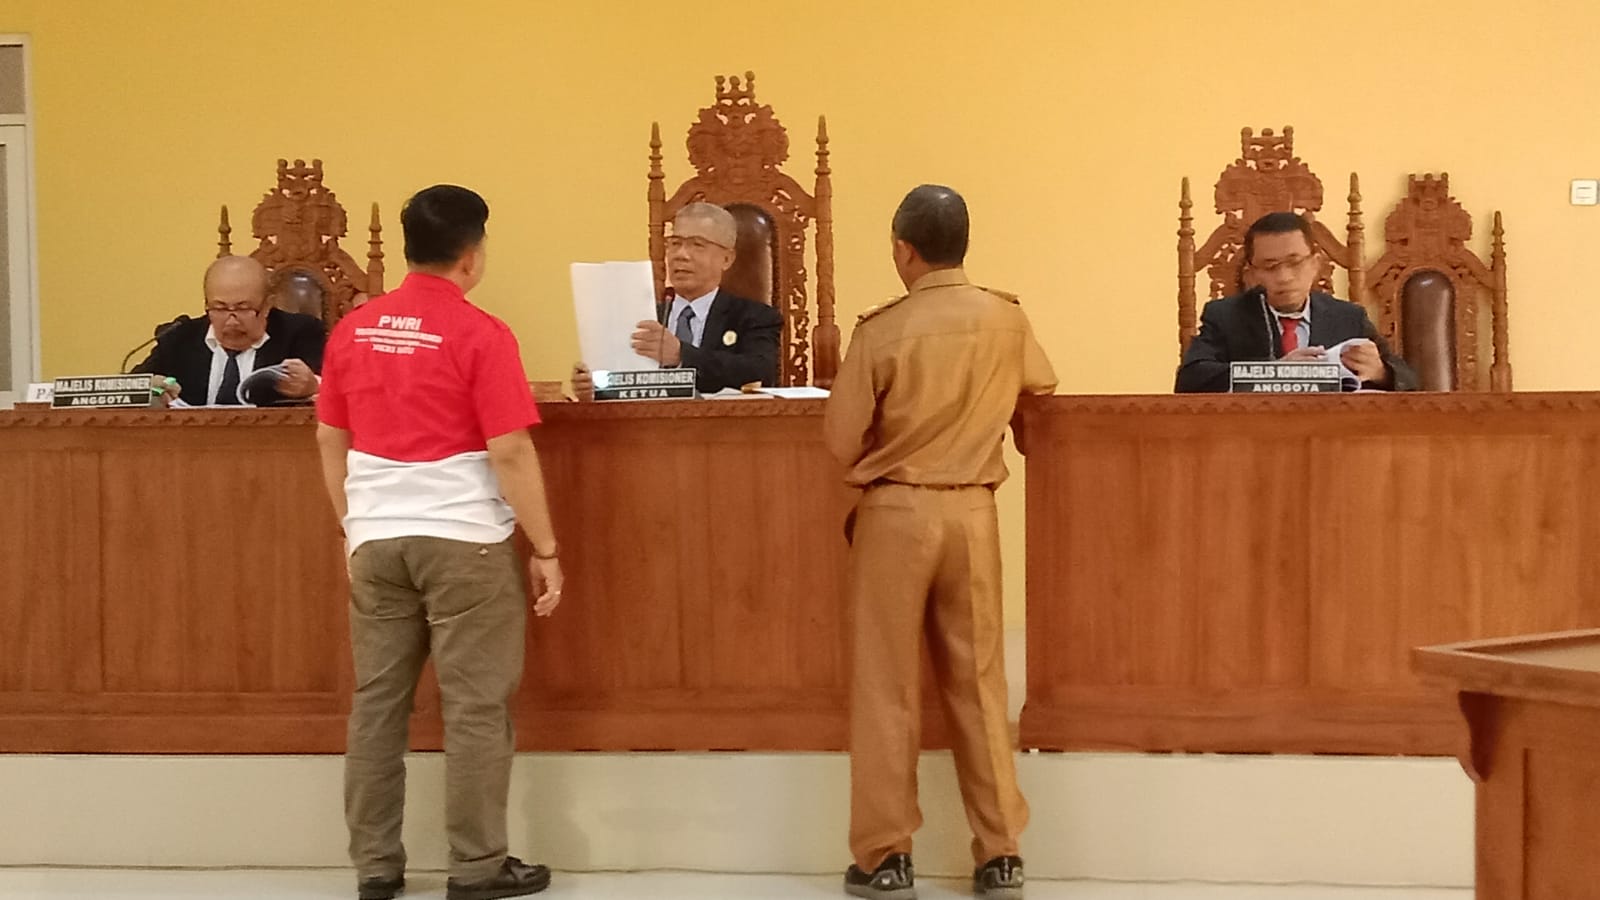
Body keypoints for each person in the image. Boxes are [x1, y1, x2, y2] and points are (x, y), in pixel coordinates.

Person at [315, 184, 564, 900]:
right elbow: (509, 450)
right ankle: (478, 866)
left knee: (377, 704)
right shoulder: (481, 333)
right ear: (471, 255)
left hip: (376, 542)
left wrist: (353, 526)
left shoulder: (354, 330)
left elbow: (330, 438)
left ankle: (375, 866)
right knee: (475, 707)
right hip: (465, 543)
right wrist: (546, 549)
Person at [824, 184, 1056, 900]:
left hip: (897, 514)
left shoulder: (882, 329)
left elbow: (841, 440)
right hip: (973, 514)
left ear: (904, 250)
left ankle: (885, 856)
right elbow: (1042, 389)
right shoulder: (1006, 317)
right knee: (980, 684)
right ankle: (1001, 853)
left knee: (886, 686)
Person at [1175, 211, 1419, 393]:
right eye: (1270, 266)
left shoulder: (1347, 317)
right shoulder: (1226, 316)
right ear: (1252, 273)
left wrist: (1381, 372)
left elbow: (1411, 382)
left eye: (1295, 263)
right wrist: (1274, 372)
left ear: (1315, 263)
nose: (1284, 277)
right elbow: (1190, 380)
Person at [571, 202, 781, 397]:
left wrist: (682, 355)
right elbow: (622, 385)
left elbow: (760, 372)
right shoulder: (645, 316)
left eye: (697, 245)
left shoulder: (755, 317)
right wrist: (595, 389)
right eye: (675, 243)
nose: (681, 255)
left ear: (726, 259)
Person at [133, 255, 325, 405]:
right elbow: (130, 387)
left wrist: (314, 386)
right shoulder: (179, 337)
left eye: (243, 309)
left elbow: (336, 391)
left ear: (267, 306)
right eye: (220, 308)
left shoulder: (300, 333)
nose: (231, 321)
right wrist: (154, 389)